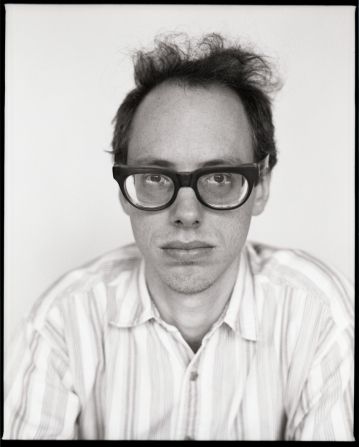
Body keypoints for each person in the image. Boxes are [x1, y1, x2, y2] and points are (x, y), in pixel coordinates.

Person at [3, 33, 354, 441]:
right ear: (124, 191)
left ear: (260, 187)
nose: (186, 213)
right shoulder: (61, 323)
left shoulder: (320, 317)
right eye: (155, 178)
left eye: (221, 177)